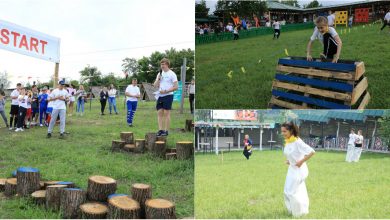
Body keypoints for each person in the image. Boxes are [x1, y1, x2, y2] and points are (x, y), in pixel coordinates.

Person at [281, 121, 315, 218]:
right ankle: (295, 211)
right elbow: (293, 154)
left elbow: (312, 152)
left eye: (284, 131)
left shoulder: (297, 141)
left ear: (291, 131)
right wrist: (290, 160)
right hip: (292, 169)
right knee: (288, 191)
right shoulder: (288, 141)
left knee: (290, 192)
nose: (283, 133)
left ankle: (297, 214)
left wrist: (301, 161)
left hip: (299, 170)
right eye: (282, 131)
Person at [153, 58, 178, 136]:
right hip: (160, 95)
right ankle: (160, 130)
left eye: (163, 64)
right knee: (159, 112)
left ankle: (166, 131)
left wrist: (166, 91)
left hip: (168, 95)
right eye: (161, 64)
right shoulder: (159, 73)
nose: (162, 66)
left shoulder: (172, 74)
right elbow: (155, 85)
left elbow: (176, 87)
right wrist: (158, 80)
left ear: (167, 64)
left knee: (166, 113)